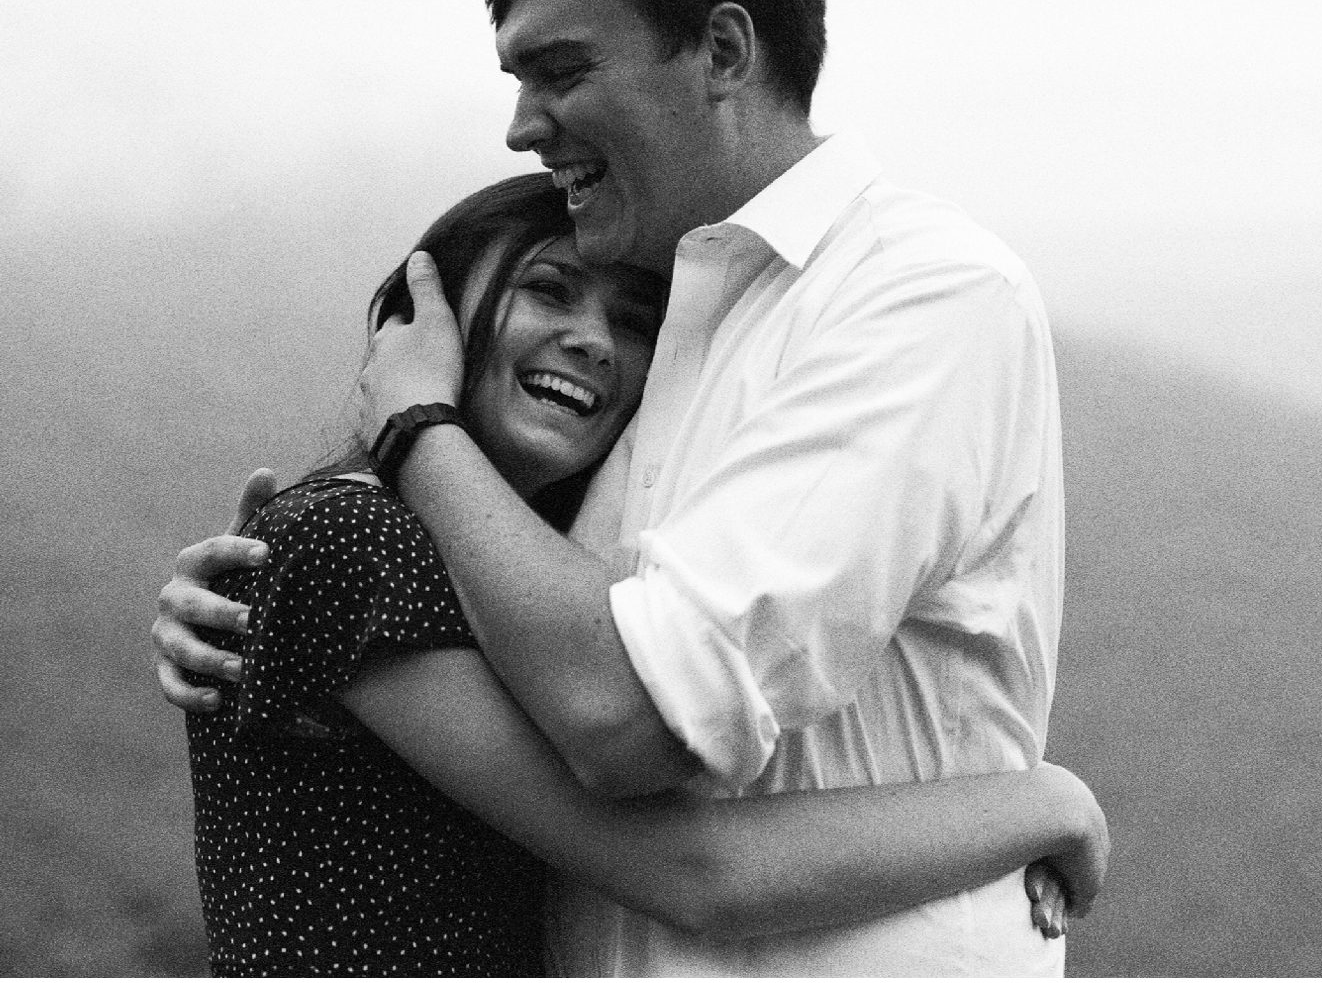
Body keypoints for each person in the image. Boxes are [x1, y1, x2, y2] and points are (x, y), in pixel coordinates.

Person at [159, 0, 1081, 975]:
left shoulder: (919, 295)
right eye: (545, 293)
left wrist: (412, 434)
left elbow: (623, 712)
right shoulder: (675, 324)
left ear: (723, 52)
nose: (520, 124)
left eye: (558, 70)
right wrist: (271, 582)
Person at [184, 172, 1104, 976]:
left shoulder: (503, 575)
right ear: (427, 328)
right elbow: (701, 873)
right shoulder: (351, 541)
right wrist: (1044, 803)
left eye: (633, 322)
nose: (593, 341)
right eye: (547, 293)